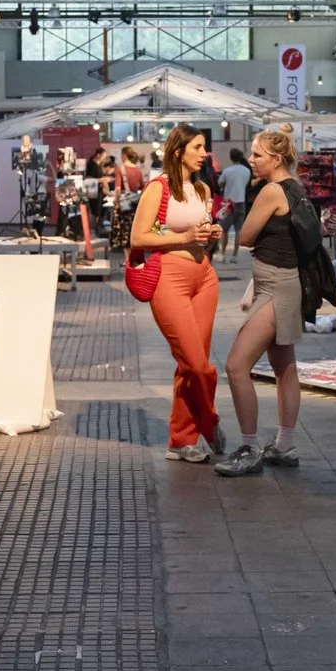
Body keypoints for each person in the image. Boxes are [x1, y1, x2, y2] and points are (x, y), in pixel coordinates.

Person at [217, 128, 315, 476]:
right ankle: (285, 444)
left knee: (236, 366)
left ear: (275, 159)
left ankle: (249, 447)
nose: (251, 159)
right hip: (282, 284)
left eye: (257, 154)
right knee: (284, 368)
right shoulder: (294, 187)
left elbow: (244, 236)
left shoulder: (272, 190)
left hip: (275, 287)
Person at [132, 125, 226, 463]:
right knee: (199, 366)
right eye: (198, 147)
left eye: (204, 147)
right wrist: (184, 237)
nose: (204, 153)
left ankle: (181, 441)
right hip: (169, 277)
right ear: (178, 151)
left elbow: (198, 234)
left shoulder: (201, 189)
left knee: (189, 364)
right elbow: (139, 238)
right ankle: (210, 423)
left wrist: (208, 234)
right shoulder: (158, 189)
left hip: (205, 277)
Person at [219, 145, 252, 256]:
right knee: (239, 230)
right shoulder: (247, 171)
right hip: (241, 201)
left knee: (224, 230)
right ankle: (235, 255)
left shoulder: (227, 171)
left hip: (228, 203)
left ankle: (223, 253)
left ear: (231, 157)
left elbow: (221, 183)